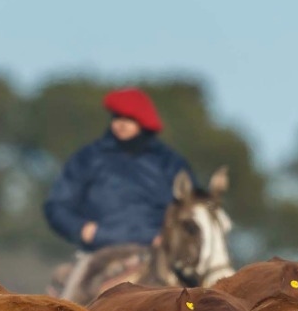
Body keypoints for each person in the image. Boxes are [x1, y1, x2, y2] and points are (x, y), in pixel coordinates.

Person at [44, 87, 207, 297]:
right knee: (68, 309)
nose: (121, 123)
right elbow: (57, 206)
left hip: (158, 253)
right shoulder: (88, 158)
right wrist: (81, 228)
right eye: (117, 116)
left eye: (129, 118)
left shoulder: (169, 163)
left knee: (200, 305)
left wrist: (168, 237)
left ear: (143, 122)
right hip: (98, 253)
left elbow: (192, 211)